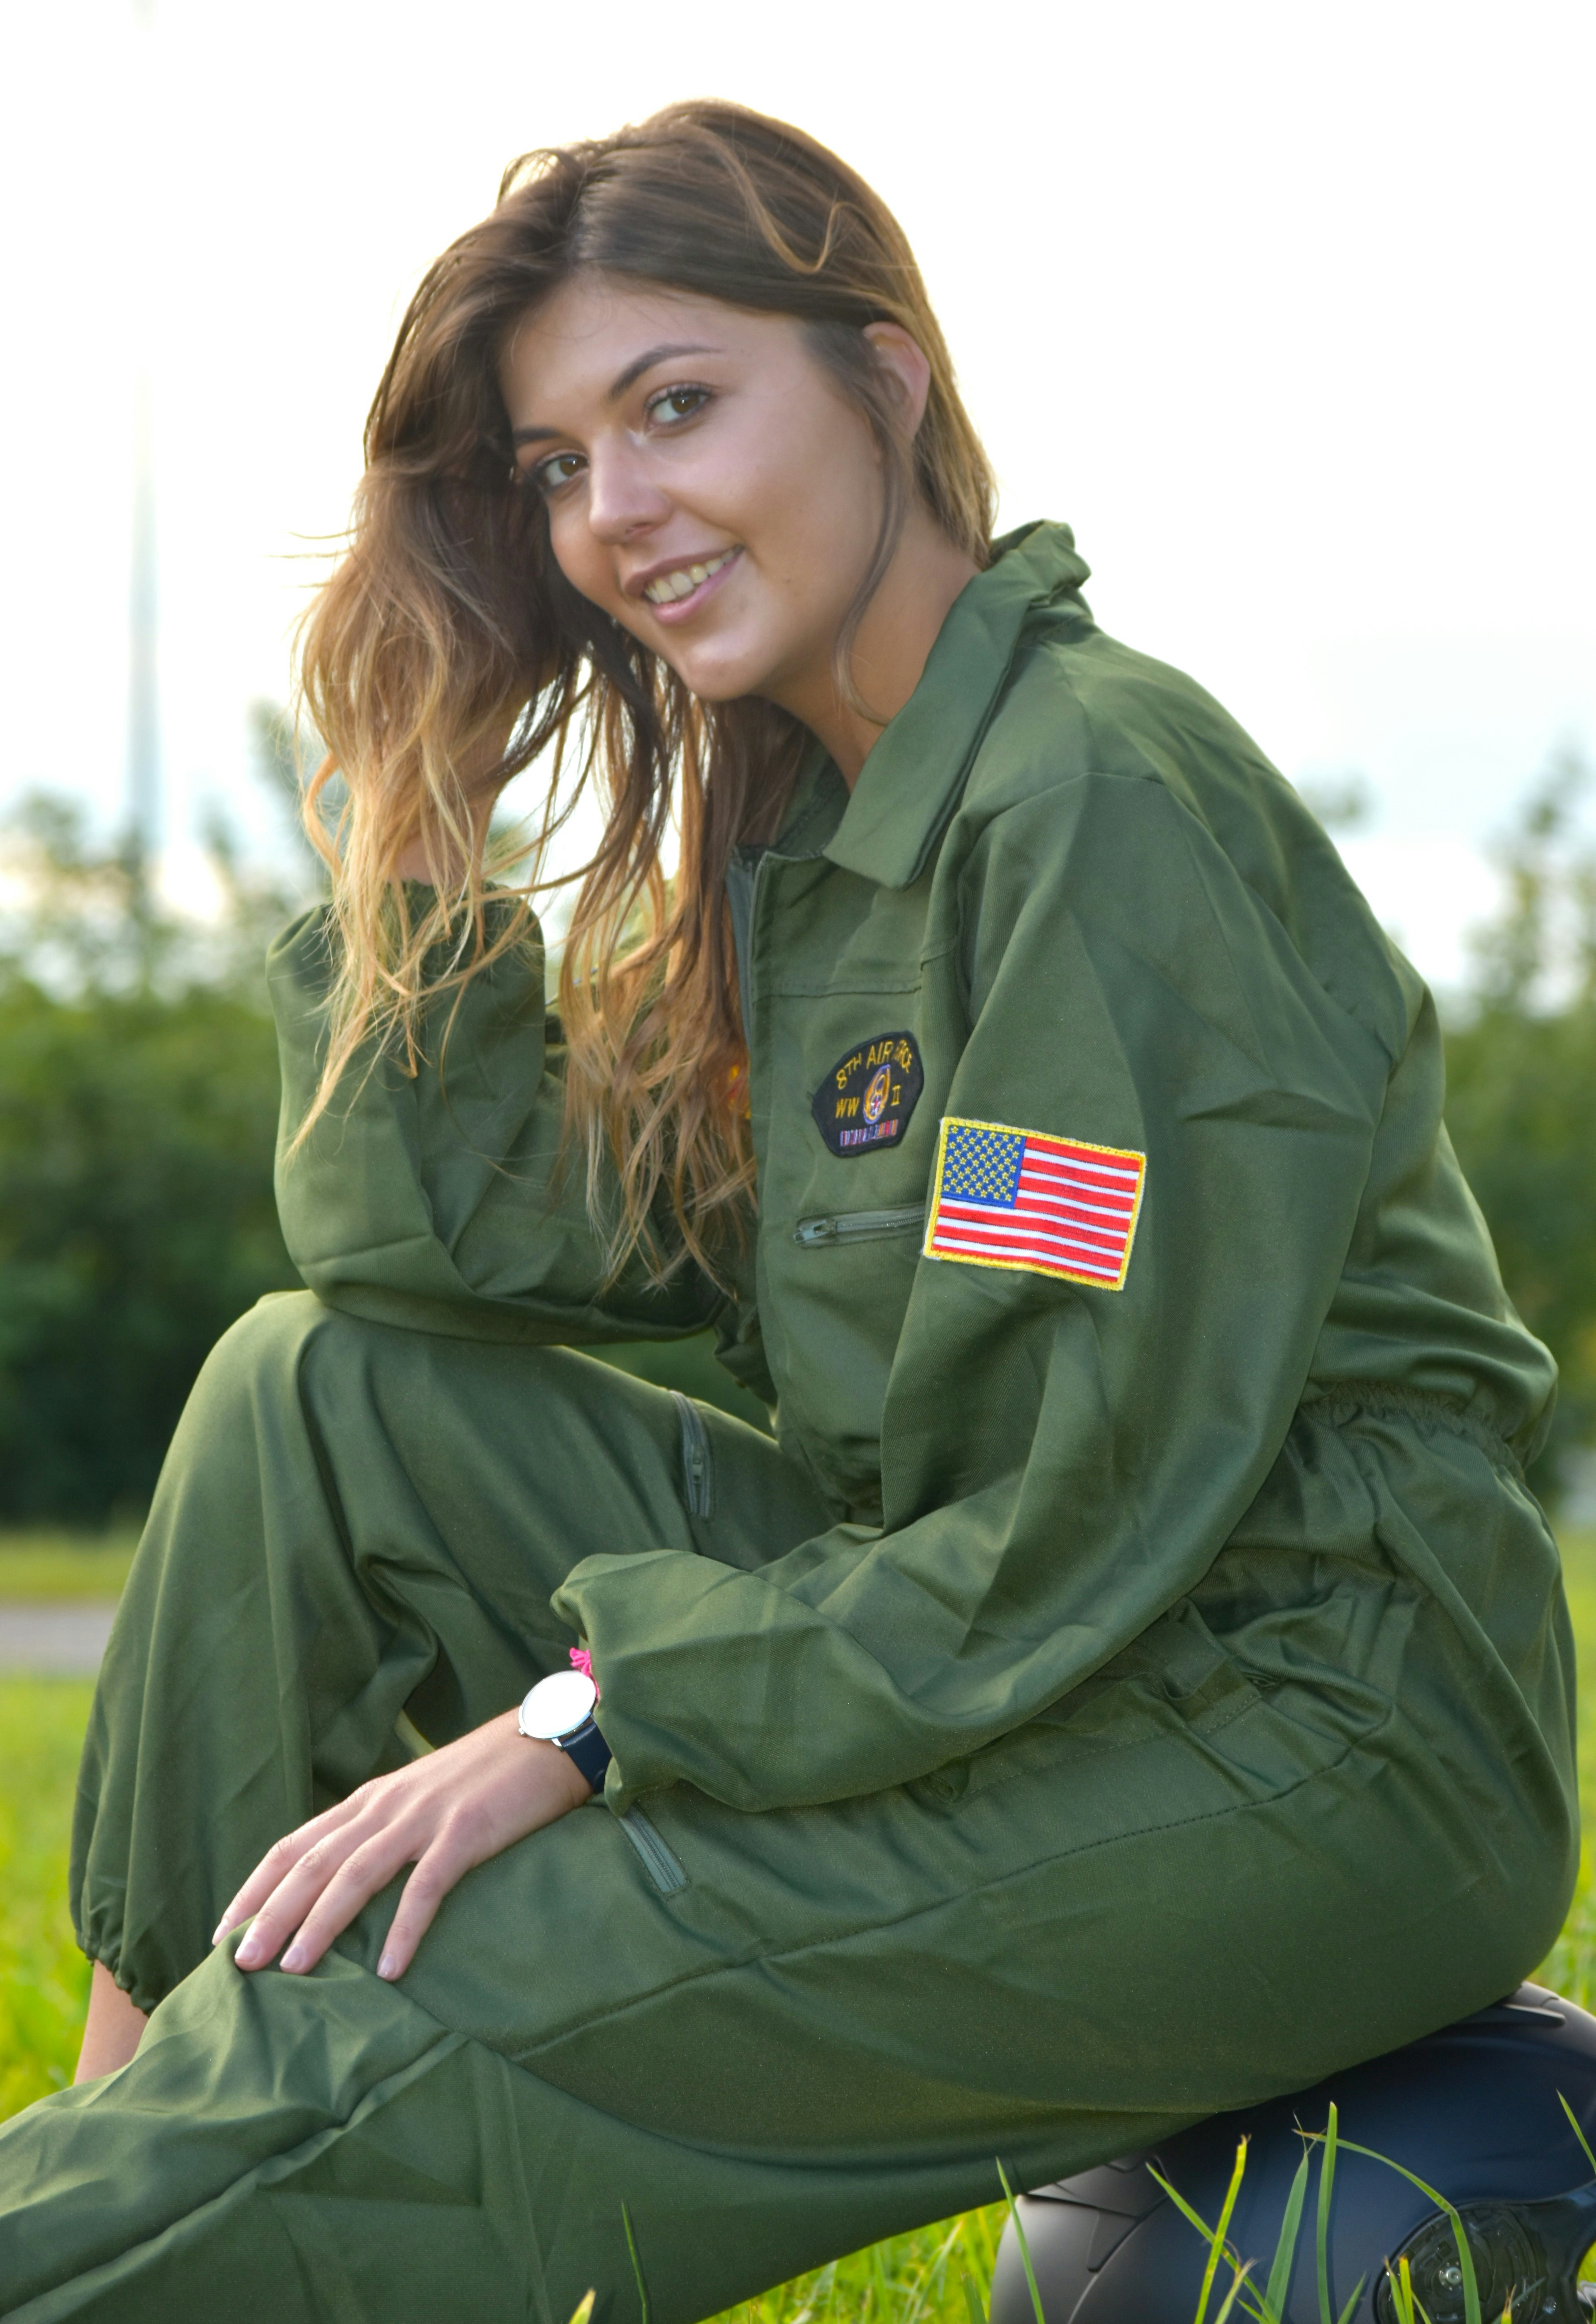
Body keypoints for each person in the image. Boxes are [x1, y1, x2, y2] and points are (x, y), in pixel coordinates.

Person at [0, 99, 1576, 2324]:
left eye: (672, 407)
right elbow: (418, 1240)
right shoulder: (811, 859)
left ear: (884, 377)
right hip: (1032, 1657)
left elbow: (1069, 1519)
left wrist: (582, 1718)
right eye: (550, 464)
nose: (611, 512)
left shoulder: (1099, 800)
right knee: (309, 1397)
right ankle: (123, 2138)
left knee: (480, 1983)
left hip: (1294, 1742)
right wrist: (414, 784)